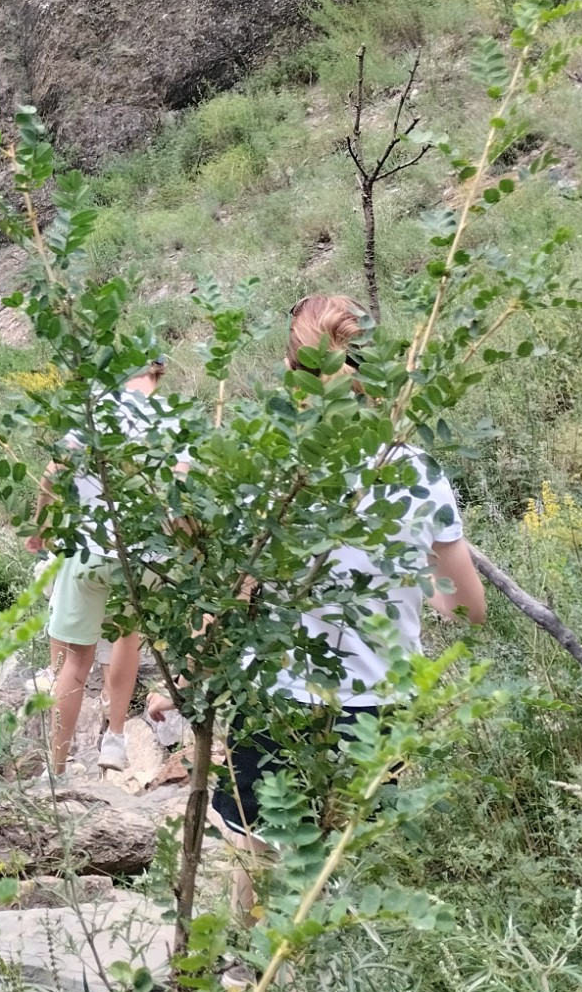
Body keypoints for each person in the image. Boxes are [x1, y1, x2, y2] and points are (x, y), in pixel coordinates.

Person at [153, 293, 488, 913]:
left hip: (275, 696)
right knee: (347, 861)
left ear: (291, 374)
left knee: (259, 848)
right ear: (375, 374)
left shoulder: (262, 468)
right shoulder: (418, 470)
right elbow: (467, 609)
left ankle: (251, 973)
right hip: (381, 703)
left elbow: (209, 568)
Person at [30, 359, 173, 776]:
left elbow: (52, 472)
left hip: (89, 551)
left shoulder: (97, 412)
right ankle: (114, 739)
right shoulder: (167, 421)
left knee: (74, 660)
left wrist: (41, 527)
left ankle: (55, 768)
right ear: (155, 377)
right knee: (128, 639)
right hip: (143, 556)